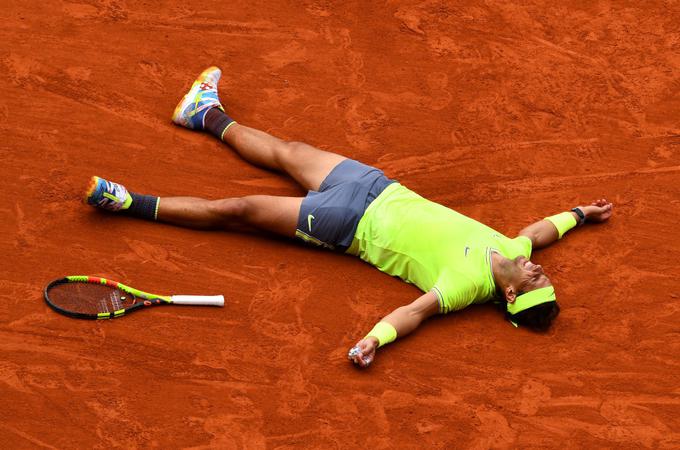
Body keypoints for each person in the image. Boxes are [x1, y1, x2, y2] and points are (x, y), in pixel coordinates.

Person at [85, 67, 613, 368]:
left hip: (346, 225)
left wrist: (373, 341)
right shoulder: (517, 253)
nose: (541, 272)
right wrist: (580, 214)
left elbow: (415, 313)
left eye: (537, 284)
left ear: (513, 296)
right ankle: (204, 114)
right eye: (541, 276)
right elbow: (539, 232)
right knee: (290, 150)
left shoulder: (466, 285)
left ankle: (127, 202)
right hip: (376, 187)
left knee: (238, 211)